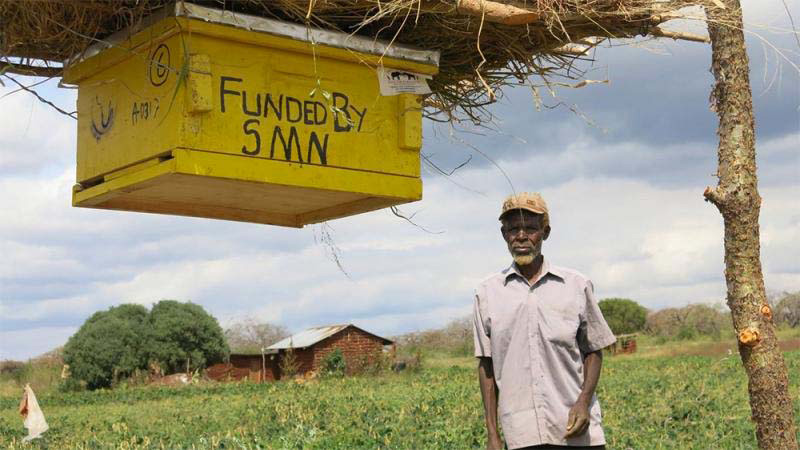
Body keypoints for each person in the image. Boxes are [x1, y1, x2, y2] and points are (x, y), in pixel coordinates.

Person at [473, 192, 616, 449]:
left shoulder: (576, 285)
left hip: (575, 429)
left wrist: (583, 402)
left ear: (545, 232)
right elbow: (487, 365)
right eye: (513, 229)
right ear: (504, 234)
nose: (521, 236)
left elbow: (594, 349)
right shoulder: (487, 293)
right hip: (521, 433)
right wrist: (492, 434)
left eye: (530, 228)